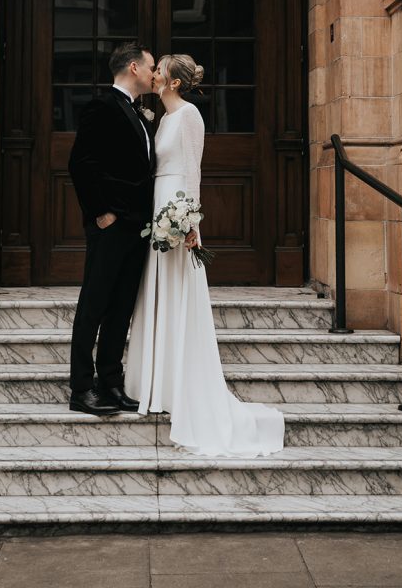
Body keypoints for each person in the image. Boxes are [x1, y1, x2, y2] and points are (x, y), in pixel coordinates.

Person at [125, 53, 285, 457]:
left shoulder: (190, 115)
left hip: (177, 208)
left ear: (173, 82)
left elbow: (192, 169)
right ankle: (157, 385)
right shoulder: (161, 118)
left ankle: (182, 386)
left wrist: (190, 221)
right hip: (159, 206)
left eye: (159, 69)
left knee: (179, 295)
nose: (154, 73)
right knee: (158, 293)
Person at [68, 41, 156, 416]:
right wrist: (101, 213)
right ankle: (81, 388)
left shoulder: (140, 112)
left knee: (120, 309)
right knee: (94, 306)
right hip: (111, 224)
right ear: (134, 68)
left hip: (138, 226)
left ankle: (111, 383)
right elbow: (81, 163)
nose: (155, 74)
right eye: (151, 66)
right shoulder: (100, 107)